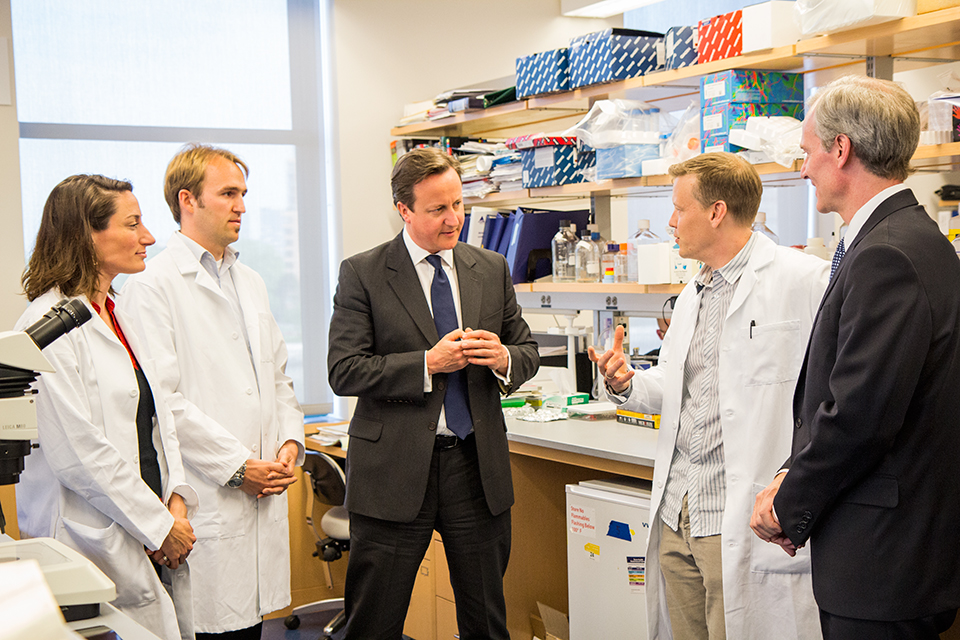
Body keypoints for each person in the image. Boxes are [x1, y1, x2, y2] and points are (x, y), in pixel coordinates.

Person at [751, 76, 960, 639]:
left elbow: (861, 415)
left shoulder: (887, 255)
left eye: (808, 152)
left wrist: (789, 501)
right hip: (895, 554)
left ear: (841, 150)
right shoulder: (907, 240)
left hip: (883, 563)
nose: (803, 168)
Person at [590, 153, 829, 640]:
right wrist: (626, 383)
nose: (670, 222)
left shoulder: (804, 279)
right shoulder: (693, 292)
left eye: (679, 209)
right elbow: (683, 392)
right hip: (679, 512)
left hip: (738, 518)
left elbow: (828, 395)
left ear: (716, 212)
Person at [327, 147, 540, 640]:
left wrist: (504, 358)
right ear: (404, 210)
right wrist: (427, 363)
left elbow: (525, 348)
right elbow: (345, 370)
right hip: (395, 473)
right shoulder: (363, 272)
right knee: (374, 624)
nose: (454, 220)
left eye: (459, 204)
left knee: (485, 623)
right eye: (438, 209)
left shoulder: (488, 267)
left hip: (474, 467)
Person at [118, 144, 305, 640]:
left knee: (249, 628)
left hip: (262, 491)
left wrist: (289, 443)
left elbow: (277, 376)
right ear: (188, 200)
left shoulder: (252, 282)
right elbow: (163, 402)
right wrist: (238, 467)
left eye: (242, 193)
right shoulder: (151, 284)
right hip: (207, 497)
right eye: (227, 193)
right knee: (213, 627)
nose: (241, 205)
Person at [15, 175, 198, 640]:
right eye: (133, 224)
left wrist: (175, 499)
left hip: (151, 518)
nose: (149, 237)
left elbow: (158, 418)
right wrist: (159, 526)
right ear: (86, 235)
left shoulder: (119, 311)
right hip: (93, 531)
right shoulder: (45, 326)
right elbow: (77, 452)